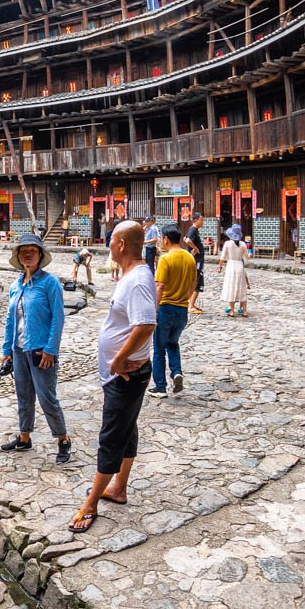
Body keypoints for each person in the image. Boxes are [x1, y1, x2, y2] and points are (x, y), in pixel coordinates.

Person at [70, 221, 156, 534]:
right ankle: (119, 487)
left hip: (126, 375)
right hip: (124, 374)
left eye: (111, 240)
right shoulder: (134, 275)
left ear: (120, 244)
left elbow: (145, 324)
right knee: (126, 428)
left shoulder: (137, 280)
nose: (108, 246)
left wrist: (119, 359)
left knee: (111, 436)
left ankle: (90, 502)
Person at [0, 235, 71, 464]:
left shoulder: (50, 283)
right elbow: (11, 321)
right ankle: (24, 436)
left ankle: (63, 439)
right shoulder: (15, 286)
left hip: (41, 351)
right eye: (23, 251)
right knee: (24, 395)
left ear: (40, 255)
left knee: (47, 397)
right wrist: (6, 350)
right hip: (19, 350)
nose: (28, 254)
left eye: (32, 250)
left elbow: (58, 319)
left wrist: (51, 350)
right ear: (18, 257)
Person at [149, 226, 197, 398]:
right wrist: (185, 298)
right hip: (182, 309)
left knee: (159, 348)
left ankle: (160, 386)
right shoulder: (189, 258)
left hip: (166, 307)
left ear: (166, 239)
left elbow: (160, 285)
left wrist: (153, 309)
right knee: (173, 343)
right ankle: (177, 372)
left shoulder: (165, 259)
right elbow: (193, 284)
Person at [218, 224, 251, 316]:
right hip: (240, 265)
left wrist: (219, 267)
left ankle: (232, 311)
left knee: (231, 288)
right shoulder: (243, 244)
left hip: (231, 266)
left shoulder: (227, 244)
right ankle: (244, 311)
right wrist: (250, 256)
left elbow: (222, 257)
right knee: (242, 288)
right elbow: (247, 257)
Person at [186, 212, 206, 314]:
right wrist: (195, 248)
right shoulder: (192, 230)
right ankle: (190, 305)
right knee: (197, 282)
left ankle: (192, 304)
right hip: (196, 261)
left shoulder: (195, 231)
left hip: (199, 260)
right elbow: (188, 240)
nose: (202, 222)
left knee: (198, 281)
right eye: (201, 220)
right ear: (195, 220)